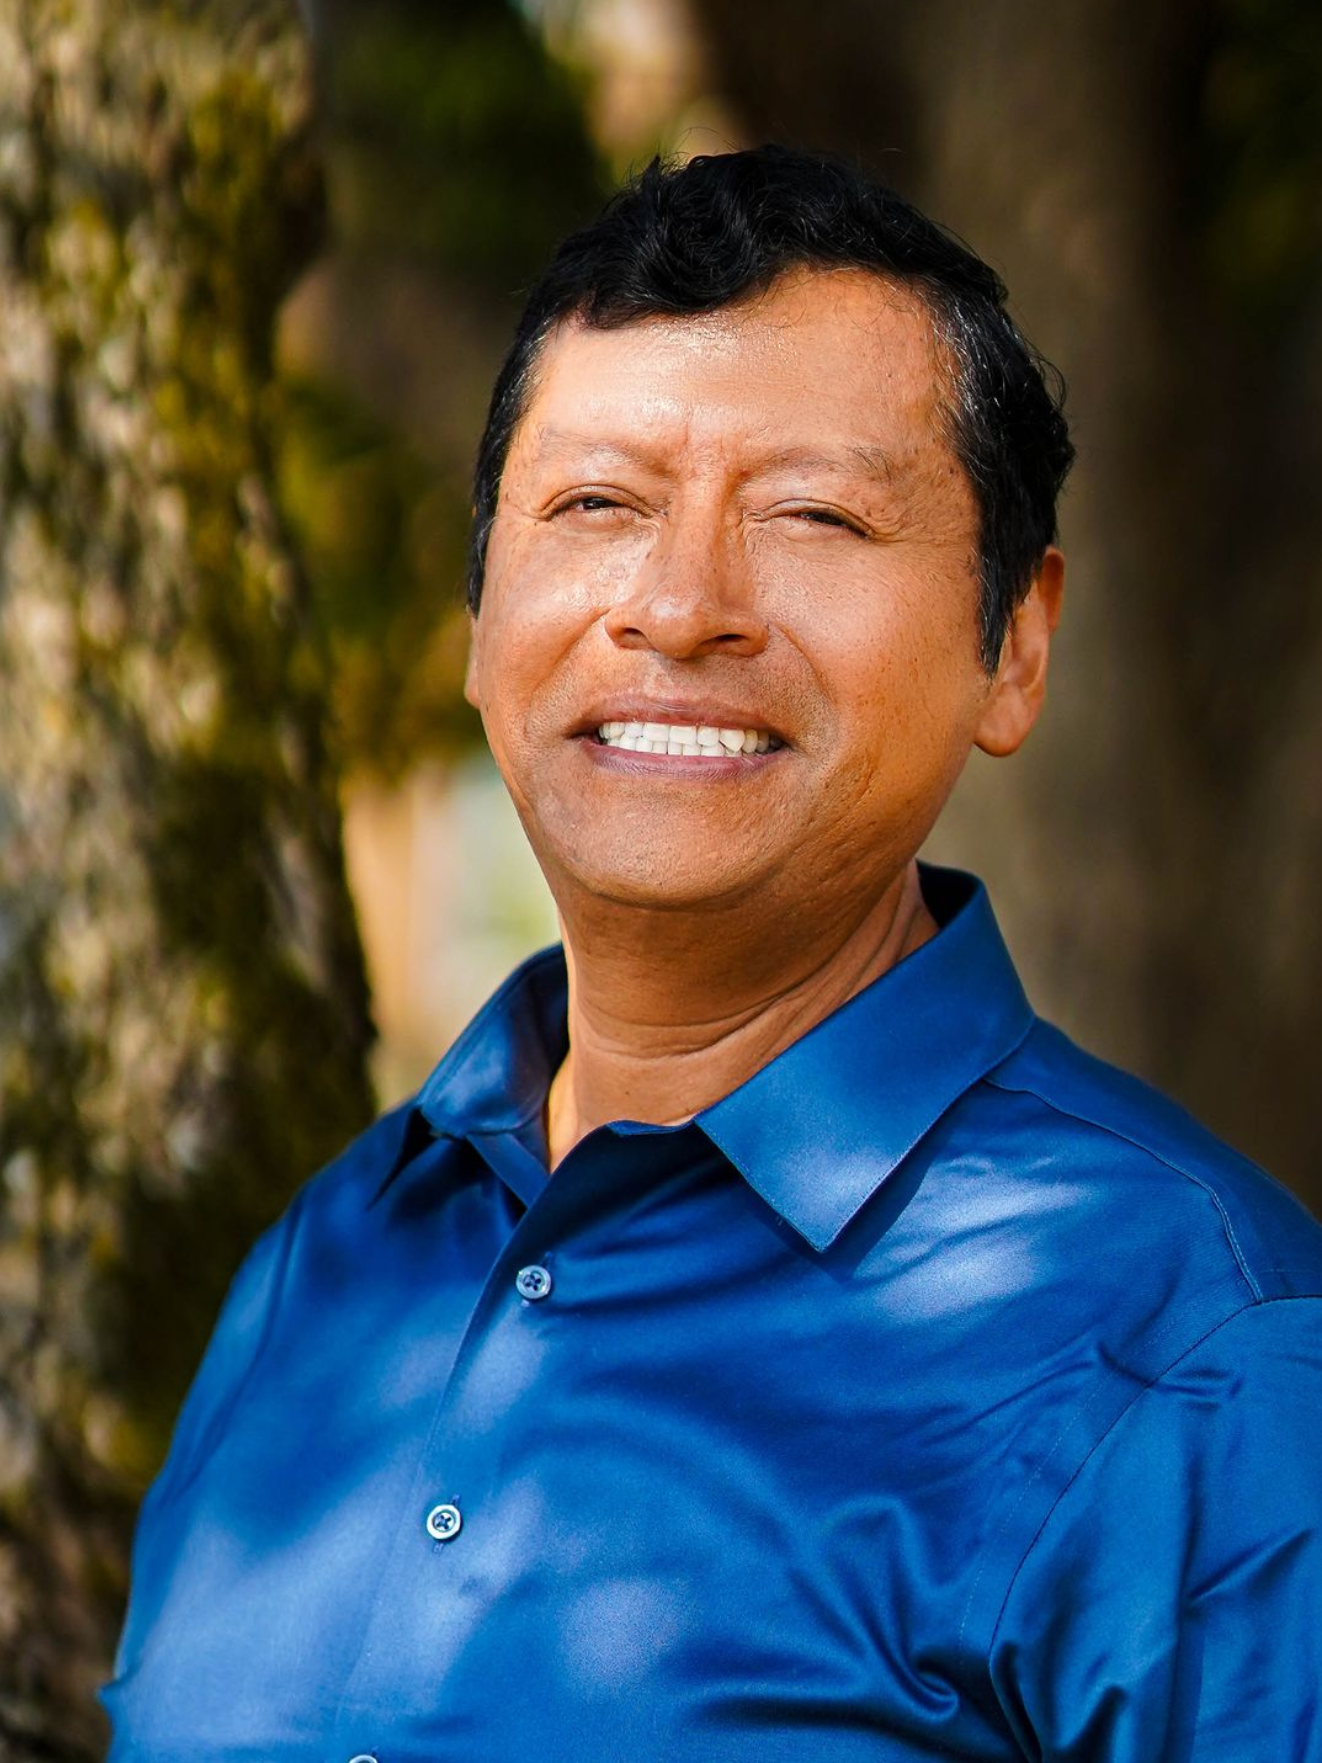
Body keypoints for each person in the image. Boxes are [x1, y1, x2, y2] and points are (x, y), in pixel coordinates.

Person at [102, 146, 1322, 1762]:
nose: (679, 607)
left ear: (1012, 644)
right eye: (595, 504)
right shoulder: (328, 1260)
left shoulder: (1204, 1362)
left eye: (811, 513)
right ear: (478, 617)